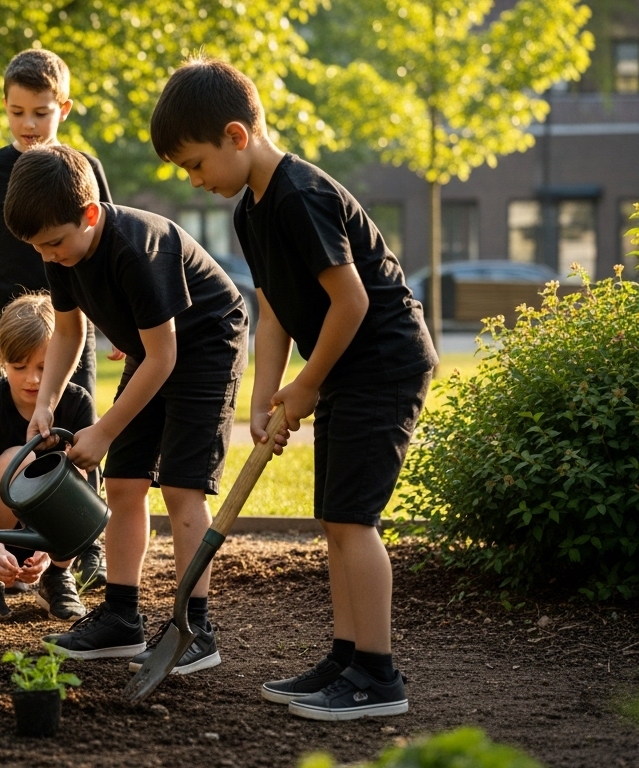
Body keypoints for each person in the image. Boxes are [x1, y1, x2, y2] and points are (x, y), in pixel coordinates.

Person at [150, 57, 437, 720]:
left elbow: (352, 301)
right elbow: (274, 308)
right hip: (346, 367)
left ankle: (378, 675)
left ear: (236, 135)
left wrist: (307, 385)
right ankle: (345, 656)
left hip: (384, 363)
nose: (195, 180)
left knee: (354, 519)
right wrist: (266, 394)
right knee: (333, 517)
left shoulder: (299, 195)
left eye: (196, 164)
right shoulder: (250, 211)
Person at [2, 145, 249, 675]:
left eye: (53, 244)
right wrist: (45, 400)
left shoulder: (138, 250)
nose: (47, 256)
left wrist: (104, 431)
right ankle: (121, 617)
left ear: (89, 215)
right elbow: (69, 329)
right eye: (38, 248)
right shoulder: (64, 251)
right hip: (153, 350)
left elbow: (166, 357)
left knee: (183, 486)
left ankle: (196, 628)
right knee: (124, 484)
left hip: (207, 343)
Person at [0, 47, 112, 587]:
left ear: (64, 107)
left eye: (40, 112)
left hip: (72, 324)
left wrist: (113, 325)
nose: (28, 124)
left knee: (77, 432)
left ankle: (84, 543)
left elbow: (105, 248)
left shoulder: (83, 169)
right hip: (12, 327)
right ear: (5, 107)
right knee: (8, 434)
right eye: (17, 112)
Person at [0, 292, 97, 623]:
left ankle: (58, 579)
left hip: (57, 534)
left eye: (44, 367)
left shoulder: (76, 404)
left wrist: (51, 553)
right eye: (19, 367)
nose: (32, 379)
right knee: (12, 463)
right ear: (0, 359)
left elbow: (89, 493)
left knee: (74, 471)